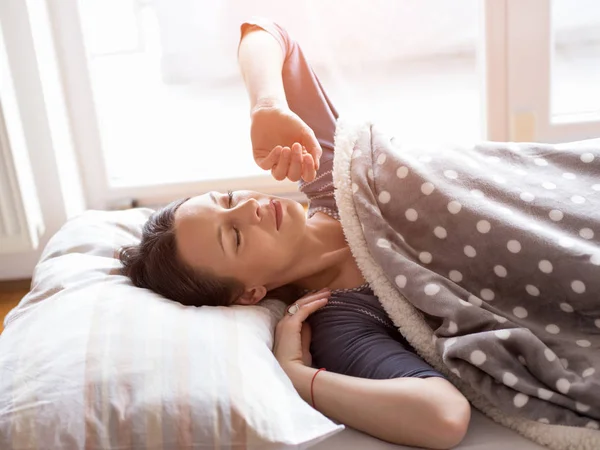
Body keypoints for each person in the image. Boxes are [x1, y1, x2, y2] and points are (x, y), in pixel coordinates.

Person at [120, 18, 471, 449]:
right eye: (234, 235)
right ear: (250, 293)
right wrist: (298, 378)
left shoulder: (329, 176)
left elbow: (267, 32)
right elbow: (444, 417)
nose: (250, 207)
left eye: (229, 199)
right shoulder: (342, 322)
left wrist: (267, 107)